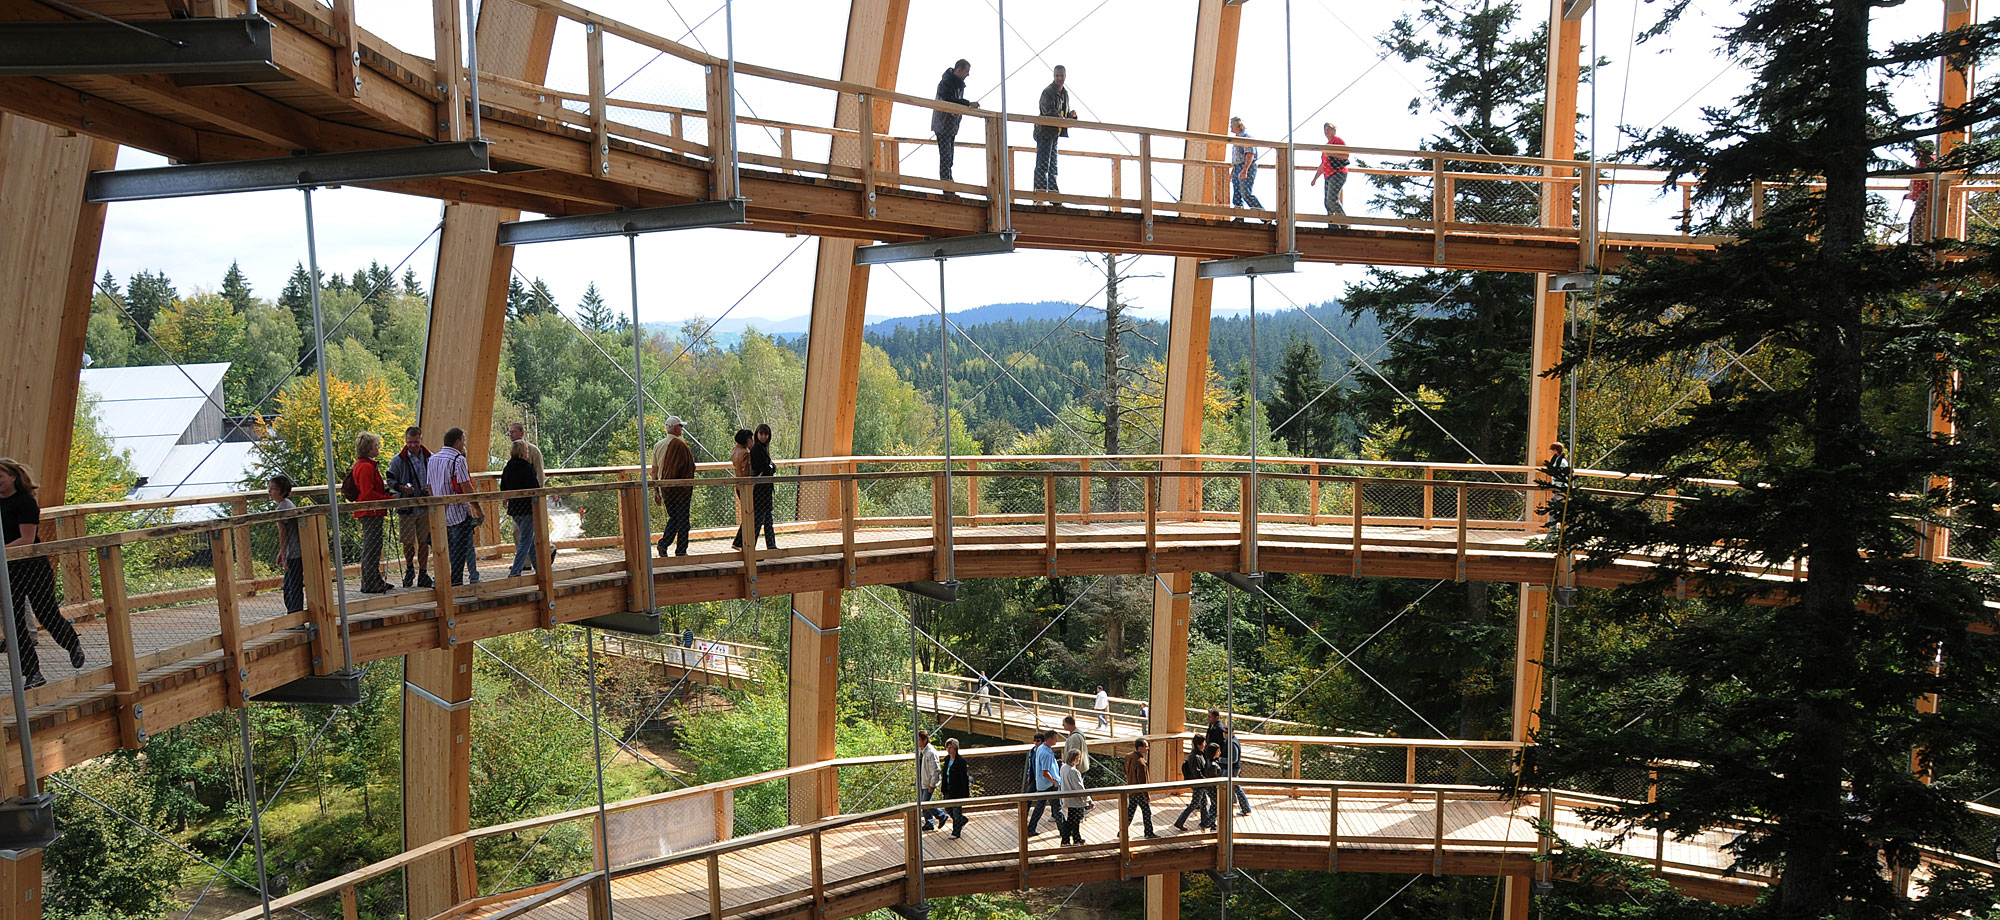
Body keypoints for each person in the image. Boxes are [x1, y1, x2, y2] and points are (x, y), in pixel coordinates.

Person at [0, 458, 86, 689]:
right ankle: (33, 673)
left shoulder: (25, 503)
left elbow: (26, 540)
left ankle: (71, 643)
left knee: (46, 613)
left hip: (31, 567)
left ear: (13, 477)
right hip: (7, 570)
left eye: (0, 476)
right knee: (14, 622)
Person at [428, 427, 479, 586]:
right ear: (457, 441)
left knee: (444, 549)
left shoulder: (433, 459)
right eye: (463, 440)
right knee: (459, 551)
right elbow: (466, 487)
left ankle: (441, 579)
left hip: (440, 514)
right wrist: (477, 508)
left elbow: (429, 487)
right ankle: (456, 583)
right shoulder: (458, 460)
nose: (464, 444)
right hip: (458, 513)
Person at [386, 426, 433, 588]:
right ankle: (409, 568)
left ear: (421, 440)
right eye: (409, 442)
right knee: (407, 542)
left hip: (424, 506)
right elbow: (390, 480)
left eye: (415, 442)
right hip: (406, 507)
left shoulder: (429, 457)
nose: (412, 445)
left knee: (424, 541)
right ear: (406, 441)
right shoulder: (398, 460)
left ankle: (423, 572)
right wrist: (401, 488)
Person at [351, 432, 395, 594]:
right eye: (376, 445)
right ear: (369, 450)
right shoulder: (365, 467)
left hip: (372, 511)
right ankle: (369, 583)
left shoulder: (365, 465)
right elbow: (368, 493)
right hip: (370, 512)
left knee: (375, 546)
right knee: (372, 548)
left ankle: (375, 579)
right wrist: (386, 498)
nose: (378, 448)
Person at [651, 417, 696, 556]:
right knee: (682, 520)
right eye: (681, 426)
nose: (682, 429)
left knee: (674, 518)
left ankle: (664, 544)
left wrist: (656, 491)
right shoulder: (681, 445)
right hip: (680, 488)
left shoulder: (658, 445)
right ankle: (680, 550)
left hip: (665, 488)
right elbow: (690, 467)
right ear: (676, 428)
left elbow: (654, 470)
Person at [932, 59, 979, 183]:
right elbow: (949, 100)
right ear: (959, 70)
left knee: (949, 156)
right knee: (946, 155)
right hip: (943, 124)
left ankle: (948, 180)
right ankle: (946, 182)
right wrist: (967, 104)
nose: (968, 74)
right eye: (967, 71)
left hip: (951, 125)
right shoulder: (946, 83)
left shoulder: (956, 84)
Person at [502, 439, 540, 578]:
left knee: (528, 539)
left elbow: (503, 488)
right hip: (527, 508)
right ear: (523, 452)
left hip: (515, 509)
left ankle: (539, 568)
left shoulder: (507, 468)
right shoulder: (527, 468)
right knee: (526, 539)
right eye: (527, 450)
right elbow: (535, 487)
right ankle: (515, 571)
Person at [269, 474, 306, 613]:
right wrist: (282, 553)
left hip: (293, 553)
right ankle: (295, 614)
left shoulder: (281, 509)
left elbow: (283, 534)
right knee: (292, 584)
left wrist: (284, 555)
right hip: (295, 551)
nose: (270, 492)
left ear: (282, 491)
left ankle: (295, 614)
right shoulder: (288, 504)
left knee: (291, 587)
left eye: (273, 489)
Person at [1034, 65, 1074, 195]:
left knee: (1053, 166)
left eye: (1061, 76)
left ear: (1065, 76)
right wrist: (1064, 119)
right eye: (1057, 76)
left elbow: (1063, 112)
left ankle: (1052, 194)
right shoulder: (1048, 92)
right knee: (1043, 164)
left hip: (1055, 133)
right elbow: (1049, 112)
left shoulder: (1064, 93)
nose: (1059, 78)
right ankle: (1039, 194)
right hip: (1045, 132)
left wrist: (1071, 117)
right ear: (1054, 76)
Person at [1311, 122, 1349, 226]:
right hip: (1328, 175)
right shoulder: (1326, 146)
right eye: (1325, 130)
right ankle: (1334, 226)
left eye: (1328, 129)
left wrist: (1331, 153)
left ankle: (1345, 224)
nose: (1326, 131)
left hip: (1338, 173)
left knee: (1332, 199)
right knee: (1327, 202)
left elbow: (1346, 155)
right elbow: (1323, 164)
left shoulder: (1338, 141)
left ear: (1334, 131)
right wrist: (1315, 179)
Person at [1025, 731, 1061, 836]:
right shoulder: (1045, 753)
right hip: (1049, 785)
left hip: (1042, 784)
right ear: (1049, 739)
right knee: (1057, 808)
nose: (1057, 740)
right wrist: (1054, 781)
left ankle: (1030, 829)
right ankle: (1064, 832)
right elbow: (1045, 772)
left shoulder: (1040, 749)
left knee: (1040, 807)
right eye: (1055, 738)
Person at [1174, 735, 1213, 831]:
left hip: (1200, 783)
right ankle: (1179, 822)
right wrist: (1204, 780)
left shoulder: (1199, 754)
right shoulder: (1195, 757)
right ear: (1199, 744)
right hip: (1198, 784)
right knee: (1195, 803)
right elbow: (1197, 772)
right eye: (1204, 743)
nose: (1205, 744)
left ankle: (1205, 822)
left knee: (1203, 803)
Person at [1123, 738, 1159, 838]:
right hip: (1139, 793)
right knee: (1147, 812)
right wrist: (1146, 796)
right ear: (1140, 748)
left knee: (1130, 812)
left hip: (1131, 790)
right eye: (1146, 746)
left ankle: (1122, 831)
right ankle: (1148, 833)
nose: (1148, 748)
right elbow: (1142, 781)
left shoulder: (1128, 757)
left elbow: (1125, 770)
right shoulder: (1141, 763)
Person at [750, 424, 778, 550]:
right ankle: (752, 547)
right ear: (757, 434)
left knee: (767, 520)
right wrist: (771, 466)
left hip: (764, 489)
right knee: (759, 520)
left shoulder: (762, 448)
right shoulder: (757, 449)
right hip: (761, 490)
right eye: (761, 434)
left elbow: (770, 467)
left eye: (765, 434)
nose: (763, 436)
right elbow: (766, 467)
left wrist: (771, 466)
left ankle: (771, 546)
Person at [1229, 116, 1264, 216]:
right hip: (1237, 167)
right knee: (1237, 194)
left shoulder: (1246, 137)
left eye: (1231, 125)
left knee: (1246, 193)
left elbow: (1250, 154)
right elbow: (1236, 158)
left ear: (1237, 125)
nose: (1230, 127)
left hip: (1245, 167)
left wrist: (1245, 170)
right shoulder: (1237, 138)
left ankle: (1263, 215)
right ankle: (1239, 217)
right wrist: (1233, 172)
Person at [916, 729, 948, 830]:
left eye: (919, 740)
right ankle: (929, 823)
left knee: (926, 803)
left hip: (928, 782)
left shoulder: (930, 752)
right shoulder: (922, 751)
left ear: (925, 740)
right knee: (923, 802)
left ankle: (941, 815)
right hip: (923, 780)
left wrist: (932, 784)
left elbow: (936, 770)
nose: (917, 742)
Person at [728, 428, 754, 550]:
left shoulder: (735, 450)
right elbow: (746, 471)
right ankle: (741, 542)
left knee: (748, 514)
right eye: (750, 438)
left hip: (738, 485)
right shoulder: (745, 453)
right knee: (750, 515)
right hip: (745, 487)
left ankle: (741, 543)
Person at [940, 738, 972, 838]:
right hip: (948, 788)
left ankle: (956, 832)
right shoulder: (947, 759)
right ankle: (962, 820)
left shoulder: (961, 761)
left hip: (957, 790)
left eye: (951, 748)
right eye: (947, 748)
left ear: (955, 748)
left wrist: (965, 793)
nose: (948, 750)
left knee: (956, 811)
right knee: (948, 808)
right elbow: (945, 774)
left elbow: (964, 778)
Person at [1058, 749, 1089, 845]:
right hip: (1075, 800)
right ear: (1074, 759)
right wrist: (1087, 799)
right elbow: (1079, 787)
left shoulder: (1063, 768)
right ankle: (1066, 840)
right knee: (1072, 821)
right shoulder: (1074, 771)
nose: (1079, 760)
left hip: (1067, 798)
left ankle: (1076, 839)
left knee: (1073, 821)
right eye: (1078, 758)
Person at [1907, 142, 1935, 243]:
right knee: (1917, 219)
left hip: (1927, 193)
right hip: (1922, 194)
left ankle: (1919, 242)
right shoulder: (1920, 161)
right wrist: (1911, 193)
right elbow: (1915, 181)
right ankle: (1916, 241)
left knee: (1921, 219)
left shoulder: (1929, 160)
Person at [1222, 725, 1252, 816]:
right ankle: (1235, 801)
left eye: (1227, 732)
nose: (1224, 734)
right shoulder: (1229, 741)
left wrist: (1221, 759)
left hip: (1233, 768)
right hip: (1230, 768)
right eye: (1224, 732)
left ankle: (1246, 808)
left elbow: (1234, 759)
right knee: (1234, 787)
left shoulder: (1232, 743)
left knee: (1236, 787)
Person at [506, 422, 546, 486]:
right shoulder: (511, 450)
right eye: (509, 432)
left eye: (513, 432)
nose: (510, 435)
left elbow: (539, 472)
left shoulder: (533, 450)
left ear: (522, 433)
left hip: (530, 490)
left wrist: (539, 491)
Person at [1544, 441, 1573, 530]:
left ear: (1555, 450)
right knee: (1555, 511)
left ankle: (1554, 532)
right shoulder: (1557, 460)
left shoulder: (1561, 462)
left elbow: (1560, 476)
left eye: (1551, 449)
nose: (1550, 452)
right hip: (1558, 489)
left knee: (1556, 511)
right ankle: (1554, 531)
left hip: (1560, 489)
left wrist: (1556, 489)